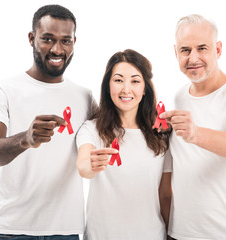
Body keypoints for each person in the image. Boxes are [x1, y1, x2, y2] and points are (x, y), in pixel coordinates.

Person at [0, 5, 97, 240]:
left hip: (66, 230)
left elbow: (118, 132)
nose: (57, 49)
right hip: (9, 230)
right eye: (48, 39)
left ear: (74, 42)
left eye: (66, 41)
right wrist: (25, 139)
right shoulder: (3, 90)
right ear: (32, 38)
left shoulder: (85, 97)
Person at [160, 14, 226, 240]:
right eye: (185, 50)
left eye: (202, 48)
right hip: (180, 233)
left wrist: (195, 133)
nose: (193, 57)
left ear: (218, 49)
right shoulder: (178, 98)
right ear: (176, 53)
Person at [76, 49, 173, 240]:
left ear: (145, 88)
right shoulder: (92, 129)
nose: (126, 89)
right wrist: (91, 164)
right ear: (108, 85)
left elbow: (165, 195)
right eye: (118, 80)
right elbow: (83, 165)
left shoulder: (160, 135)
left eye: (135, 81)